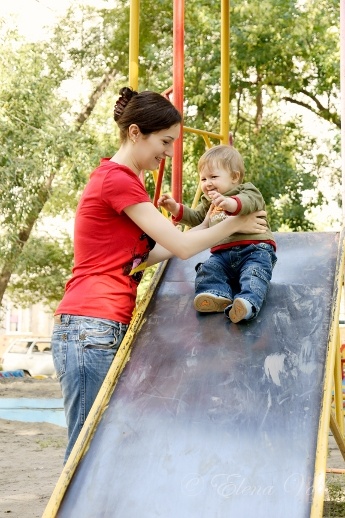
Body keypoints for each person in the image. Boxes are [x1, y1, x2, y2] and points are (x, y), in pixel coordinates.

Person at [51, 87, 268, 462]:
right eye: (165, 142)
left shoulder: (123, 180)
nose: (168, 152)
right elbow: (183, 249)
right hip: (90, 326)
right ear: (136, 132)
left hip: (103, 326)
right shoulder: (115, 179)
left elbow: (152, 254)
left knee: (106, 451)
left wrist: (217, 224)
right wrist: (237, 223)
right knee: (87, 456)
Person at [158, 144, 277, 323]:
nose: (207, 183)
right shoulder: (210, 204)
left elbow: (247, 203)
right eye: (203, 179)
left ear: (235, 177)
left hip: (254, 250)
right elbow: (197, 218)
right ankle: (216, 295)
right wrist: (175, 208)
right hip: (222, 255)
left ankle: (247, 304)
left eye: (213, 177)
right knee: (208, 269)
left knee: (255, 273)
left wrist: (229, 203)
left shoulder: (247, 190)